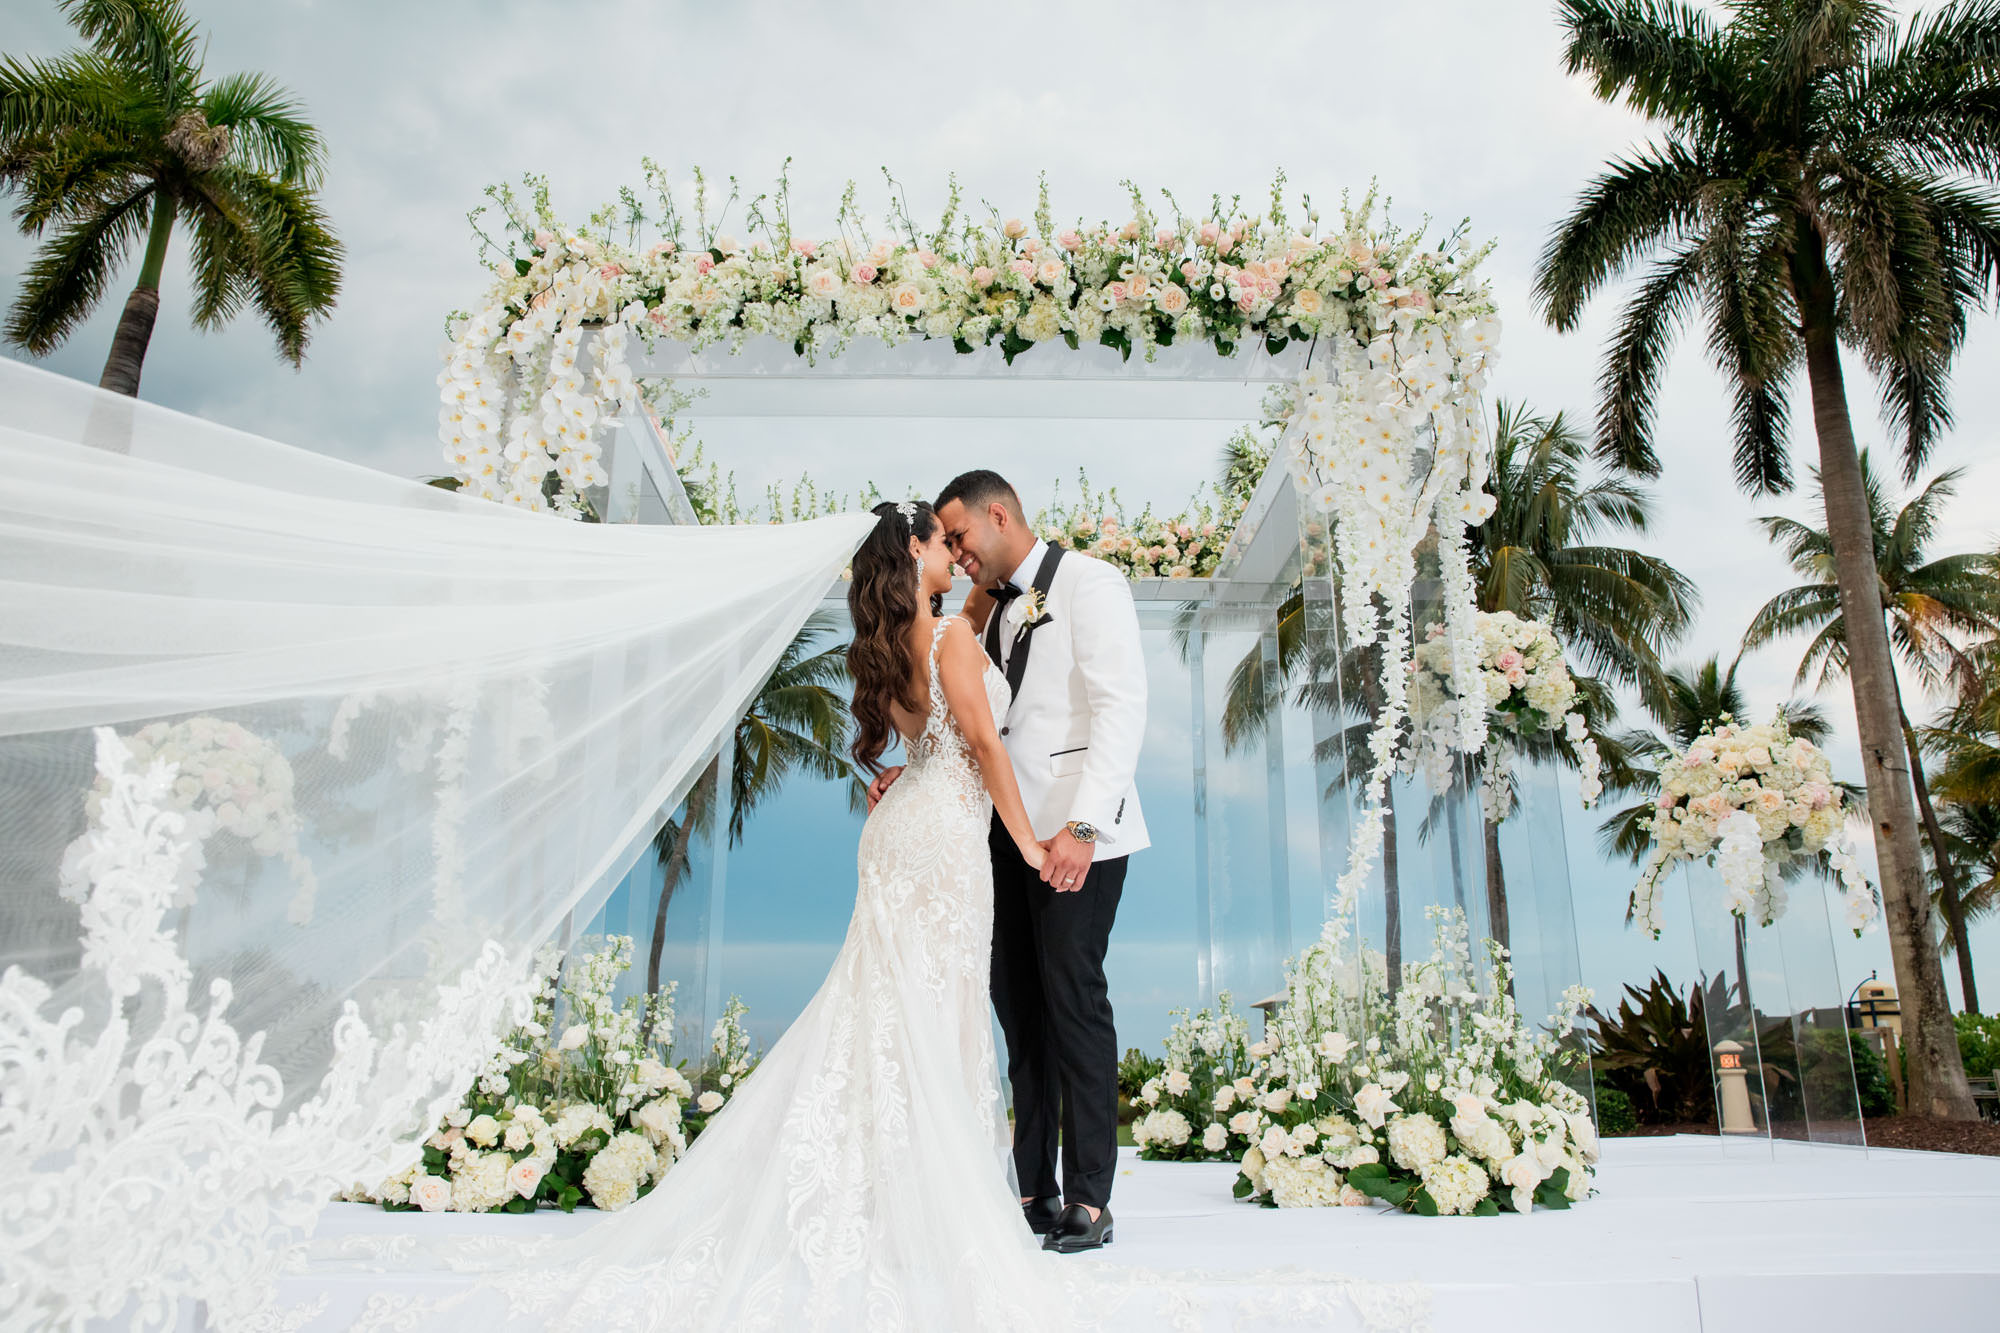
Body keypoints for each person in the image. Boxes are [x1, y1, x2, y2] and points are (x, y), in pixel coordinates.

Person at [869, 470, 1148, 1254]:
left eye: (960, 537)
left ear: (999, 515)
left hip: (1074, 837)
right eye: (945, 543)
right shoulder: (977, 609)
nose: (955, 553)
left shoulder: (1092, 584)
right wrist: (916, 770)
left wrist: (1083, 827)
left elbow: (1121, 709)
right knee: (1018, 1012)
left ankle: (1090, 1197)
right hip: (993, 837)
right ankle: (1033, 1187)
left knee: (1073, 1000)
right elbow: (969, 723)